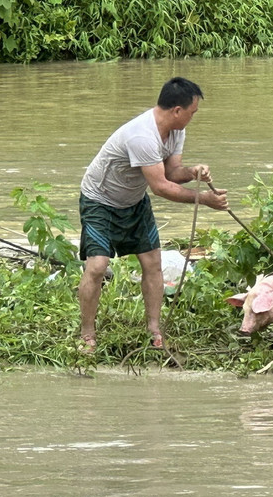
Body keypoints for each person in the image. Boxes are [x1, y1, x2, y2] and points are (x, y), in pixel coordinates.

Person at [77, 77, 229, 353]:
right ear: (177, 111)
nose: (193, 118)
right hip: (100, 200)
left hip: (133, 200)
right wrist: (204, 200)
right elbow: (160, 187)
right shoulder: (142, 135)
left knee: (153, 263)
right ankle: (87, 333)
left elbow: (172, 173)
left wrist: (193, 171)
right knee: (97, 266)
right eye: (192, 113)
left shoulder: (175, 131)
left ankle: (154, 329)